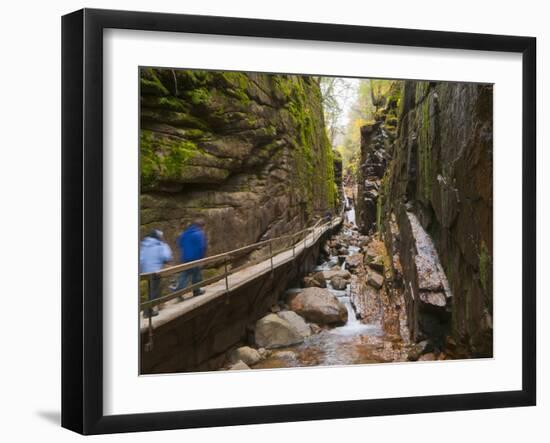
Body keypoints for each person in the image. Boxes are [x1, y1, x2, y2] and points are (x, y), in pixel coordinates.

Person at [139, 229, 172, 318]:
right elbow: (166, 256)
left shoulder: (144, 245)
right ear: (158, 237)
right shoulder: (159, 245)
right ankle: (147, 311)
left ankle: (158, 305)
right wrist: (165, 245)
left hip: (146, 272)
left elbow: (141, 259)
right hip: (155, 271)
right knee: (154, 291)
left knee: (151, 290)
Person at [176, 219, 207, 299]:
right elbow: (202, 247)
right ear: (201, 226)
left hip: (185, 258)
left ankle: (179, 292)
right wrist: (202, 258)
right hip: (195, 258)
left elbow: (180, 244)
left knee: (185, 275)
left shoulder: (185, 233)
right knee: (196, 275)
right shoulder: (199, 233)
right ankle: (196, 291)